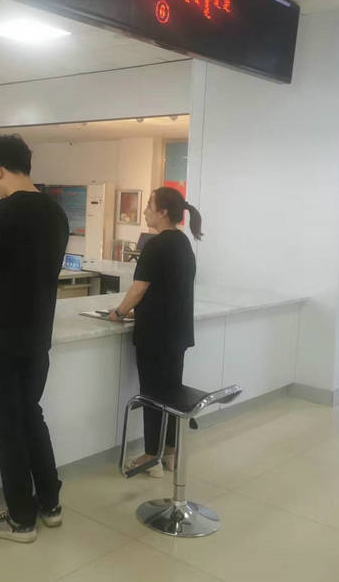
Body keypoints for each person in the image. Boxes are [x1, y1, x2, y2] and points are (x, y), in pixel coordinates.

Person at [0, 134, 68, 543]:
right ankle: (50, 504)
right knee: (31, 418)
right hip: (37, 335)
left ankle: (21, 519)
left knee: (7, 429)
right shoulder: (56, 213)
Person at [108, 187, 202, 478]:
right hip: (177, 332)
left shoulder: (156, 245)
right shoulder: (183, 243)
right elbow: (168, 289)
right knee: (171, 393)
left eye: (149, 206)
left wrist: (119, 312)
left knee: (152, 395)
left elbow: (139, 288)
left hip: (156, 335)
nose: (145, 211)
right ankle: (170, 453)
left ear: (162, 212)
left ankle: (151, 456)